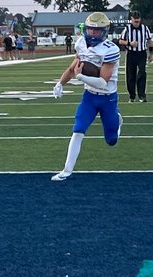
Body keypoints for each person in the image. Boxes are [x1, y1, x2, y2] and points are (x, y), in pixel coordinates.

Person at [51, 12, 122, 181]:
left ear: (104, 31)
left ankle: (117, 121)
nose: (92, 33)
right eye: (90, 29)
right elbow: (73, 67)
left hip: (107, 98)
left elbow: (103, 82)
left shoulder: (111, 49)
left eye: (96, 30)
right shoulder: (81, 43)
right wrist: (60, 83)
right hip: (89, 96)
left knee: (111, 140)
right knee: (78, 129)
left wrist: (81, 77)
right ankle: (67, 170)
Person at [118, 11, 153, 103]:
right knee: (130, 76)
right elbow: (121, 41)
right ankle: (132, 96)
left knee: (142, 73)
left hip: (142, 53)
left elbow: (149, 41)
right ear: (131, 20)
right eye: (135, 22)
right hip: (131, 53)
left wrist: (151, 54)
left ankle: (142, 95)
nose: (136, 24)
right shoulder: (127, 29)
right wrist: (130, 43)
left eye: (138, 21)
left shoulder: (144, 28)